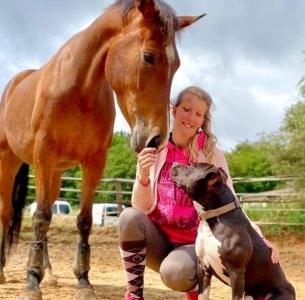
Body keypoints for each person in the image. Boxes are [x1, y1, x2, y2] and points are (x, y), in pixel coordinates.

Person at [118, 86, 279, 300]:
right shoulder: (155, 147)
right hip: (158, 238)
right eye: (187, 109)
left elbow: (231, 201)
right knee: (128, 217)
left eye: (199, 114)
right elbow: (140, 207)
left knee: (175, 272)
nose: (191, 118)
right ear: (174, 110)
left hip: (194, 243)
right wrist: (143, 175)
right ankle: (134, 295)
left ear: (203, 120)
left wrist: (259, 236)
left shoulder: (212, 154)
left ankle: (194, 293)